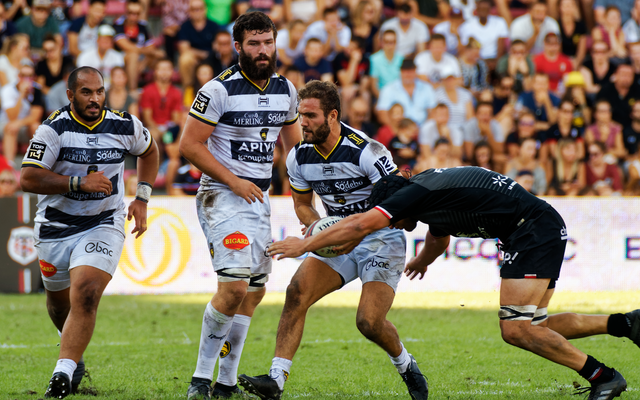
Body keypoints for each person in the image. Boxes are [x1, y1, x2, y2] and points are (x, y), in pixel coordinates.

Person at [267, 167, 638, 400]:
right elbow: (439, 238)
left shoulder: (417, 194)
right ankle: (626, 324)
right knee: (535, 326)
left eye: (396, 221)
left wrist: (304, 245)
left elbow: (361, 225)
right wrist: (420, 261)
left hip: (531, 230)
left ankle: (602, 376)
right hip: (535, 225)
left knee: (515, 330)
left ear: (399, 205)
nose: (396, 227)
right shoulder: (430, 195)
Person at [237, 80, 429, 400]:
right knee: (296, 292)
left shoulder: (368, 152)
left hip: (381, 236)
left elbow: (398, 206)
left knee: (368, 322)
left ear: (332, 116)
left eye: (311, 115)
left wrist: (348, 234)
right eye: (300, 115)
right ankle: (276, 380)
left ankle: (406, 365)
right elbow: (301, 205)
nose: (303, 122)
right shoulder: (298, 157)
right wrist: (319, 228)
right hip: (338, 238)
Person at [178, 12, 302, 400]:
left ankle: (226, 382)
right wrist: (233, 180)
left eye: (267, 42)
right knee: (233, 287)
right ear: (237, 47)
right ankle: (200, 379)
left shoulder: (287, 90)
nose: (262, 51)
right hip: (221, 194)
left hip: (260, 199)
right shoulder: (218, 90)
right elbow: (189, 145)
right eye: (253, 43)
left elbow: (297, 150)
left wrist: (306, 196)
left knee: (254, 291)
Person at [20, 66, 159, 399]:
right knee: (58, 305)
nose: (95, 99)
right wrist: (76, 182)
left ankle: (61, 375)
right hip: (55, 225)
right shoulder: (53, 129)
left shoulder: (125, 124)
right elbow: (27, 178)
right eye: (86, 92)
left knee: (85, 292)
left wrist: (142, 197)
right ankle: (76, 359)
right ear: (70, 96)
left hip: (104, 220)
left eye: (99, 92)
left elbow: (150, 152)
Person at [139, 59, 183, 194]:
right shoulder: (148, 90)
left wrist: (167, 130)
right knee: (153, 135)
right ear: (155, 72)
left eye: (167, 69)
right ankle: (154, 170)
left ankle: (169, 170)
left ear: (172, 72)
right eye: (161, 69)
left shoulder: (176, 92)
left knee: (174, 135)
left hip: (170, 129)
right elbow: (147, 118)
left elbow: (176, 118)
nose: (164, 72)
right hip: (154, 128)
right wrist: (160, 130)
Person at [112, 0, 165, 91]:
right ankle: (132, 91)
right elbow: (126, 46)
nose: (133, 16)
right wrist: (147, 51)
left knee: (160, 55)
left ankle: (159, 92)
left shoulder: (142, 26)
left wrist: (144, 62)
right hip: (121, 59)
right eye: (131, 13)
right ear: (126, 12)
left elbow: (151, 46)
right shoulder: (118, 24)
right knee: (133, 55)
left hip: (140, 61)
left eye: (136, 13)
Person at [0, 60, 45, 164]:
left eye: (30, 76)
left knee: (36, 127)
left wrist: (19, 123)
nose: (27, 79)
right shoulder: (8, 90)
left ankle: (36, 163)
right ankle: (9, 165)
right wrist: (21, 95)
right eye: (23, 75)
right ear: (18, 76)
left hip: (23, 126)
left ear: (34, 77)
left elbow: (35, 116)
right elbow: (12, 117)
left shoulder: (37, 90)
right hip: (5, 125)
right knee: (11, 127)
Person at [376, 59, 436, 126]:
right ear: (400, 72)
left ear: (415, 71)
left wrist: (423, 129)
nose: (408, 74)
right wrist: (397, 130)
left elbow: (432, 112)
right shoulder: (388, 89)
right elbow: (382, 114)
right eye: (405, 71)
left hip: (422, 129)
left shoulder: (427, 88)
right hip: (399, 129)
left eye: (410, 71)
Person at [176, 0, 219, 88]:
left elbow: (217, 48)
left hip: (212, 59)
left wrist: (205, 55)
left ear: (205, 9)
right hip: (194, 61)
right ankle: (188, 90)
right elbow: (184, 49)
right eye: (193, 9)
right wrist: (203, 54)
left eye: (199, 9)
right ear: (189, 11)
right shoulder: (185, 27)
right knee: (185, 59)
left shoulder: (214, 26)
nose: (197, 12)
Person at [457, 0, 508, 67]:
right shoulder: (466, 25)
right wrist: (481, 64)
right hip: (475, 61)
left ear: (490, 10)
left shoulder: (500, 22)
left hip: (494, 60)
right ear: (476, 10)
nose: (483, 11)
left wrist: (496, 62)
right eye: (481, 9)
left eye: (485, 9)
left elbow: (501, 47)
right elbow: (465, 48)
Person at [76, 25, 125, 90]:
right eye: (104, 38)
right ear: (97, 39)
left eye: (109, 39)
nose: (106, 41)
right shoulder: (85, 56)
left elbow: (120, 79)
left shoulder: (117, 56)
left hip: (111, 92)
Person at [596, 63, 640, 127]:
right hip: (610, 127)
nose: (626, 78)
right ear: (615, 75)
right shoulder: (605, 91)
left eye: (629, 75)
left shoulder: (637, 90)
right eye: (623, 75)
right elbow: (598, 113)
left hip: (634, 128)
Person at [369, 29, 403, 98]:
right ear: (381, 43)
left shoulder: (402, 59)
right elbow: (374, 85)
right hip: (381, 95)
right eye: (387, 42)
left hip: (399, 95)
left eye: (393, 42)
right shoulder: (374, 59)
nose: (390, 45)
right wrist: (383, 99)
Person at [557, 0, 587, 69]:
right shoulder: (556, 25)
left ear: (575, 7)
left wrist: (575, 64)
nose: (568, 7)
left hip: (577, 62)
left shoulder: (581, 26)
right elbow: (557, 50)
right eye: (565, 5)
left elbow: (581, 52)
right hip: (560, 62)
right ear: (560, 7)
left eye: (570, 5)